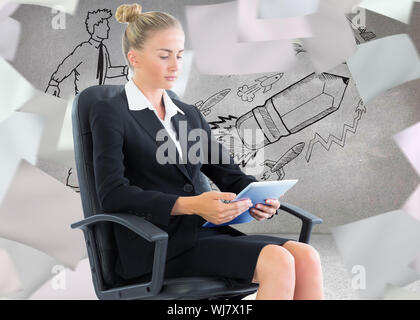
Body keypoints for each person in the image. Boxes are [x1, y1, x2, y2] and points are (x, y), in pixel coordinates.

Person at [90, 3, 324, 300]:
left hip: (201, 234)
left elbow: (229, 175)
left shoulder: (187, 114)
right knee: (277, 260)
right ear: (133, 58)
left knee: (306, 257)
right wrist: (193, 205)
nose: (175, 65)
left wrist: (257, 199)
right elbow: (113, 194)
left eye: (179, 54)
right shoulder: (111, 112)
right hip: (155, 244)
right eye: (164, 56)